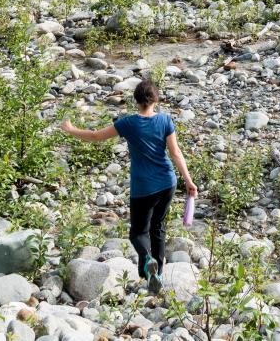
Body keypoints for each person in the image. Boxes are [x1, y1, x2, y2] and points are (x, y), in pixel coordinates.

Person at [60, 80, 197, 293]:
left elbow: (96, 136)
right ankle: (157, 275)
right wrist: (188, 181)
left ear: (136, 100)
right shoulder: (165, 121)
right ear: (156, 99)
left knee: (137, 233)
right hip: (167, 182)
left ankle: (147, 259)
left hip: (143, 186)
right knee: (158, 227)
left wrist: (71, 129)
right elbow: (176, 153)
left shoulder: (128, 123)